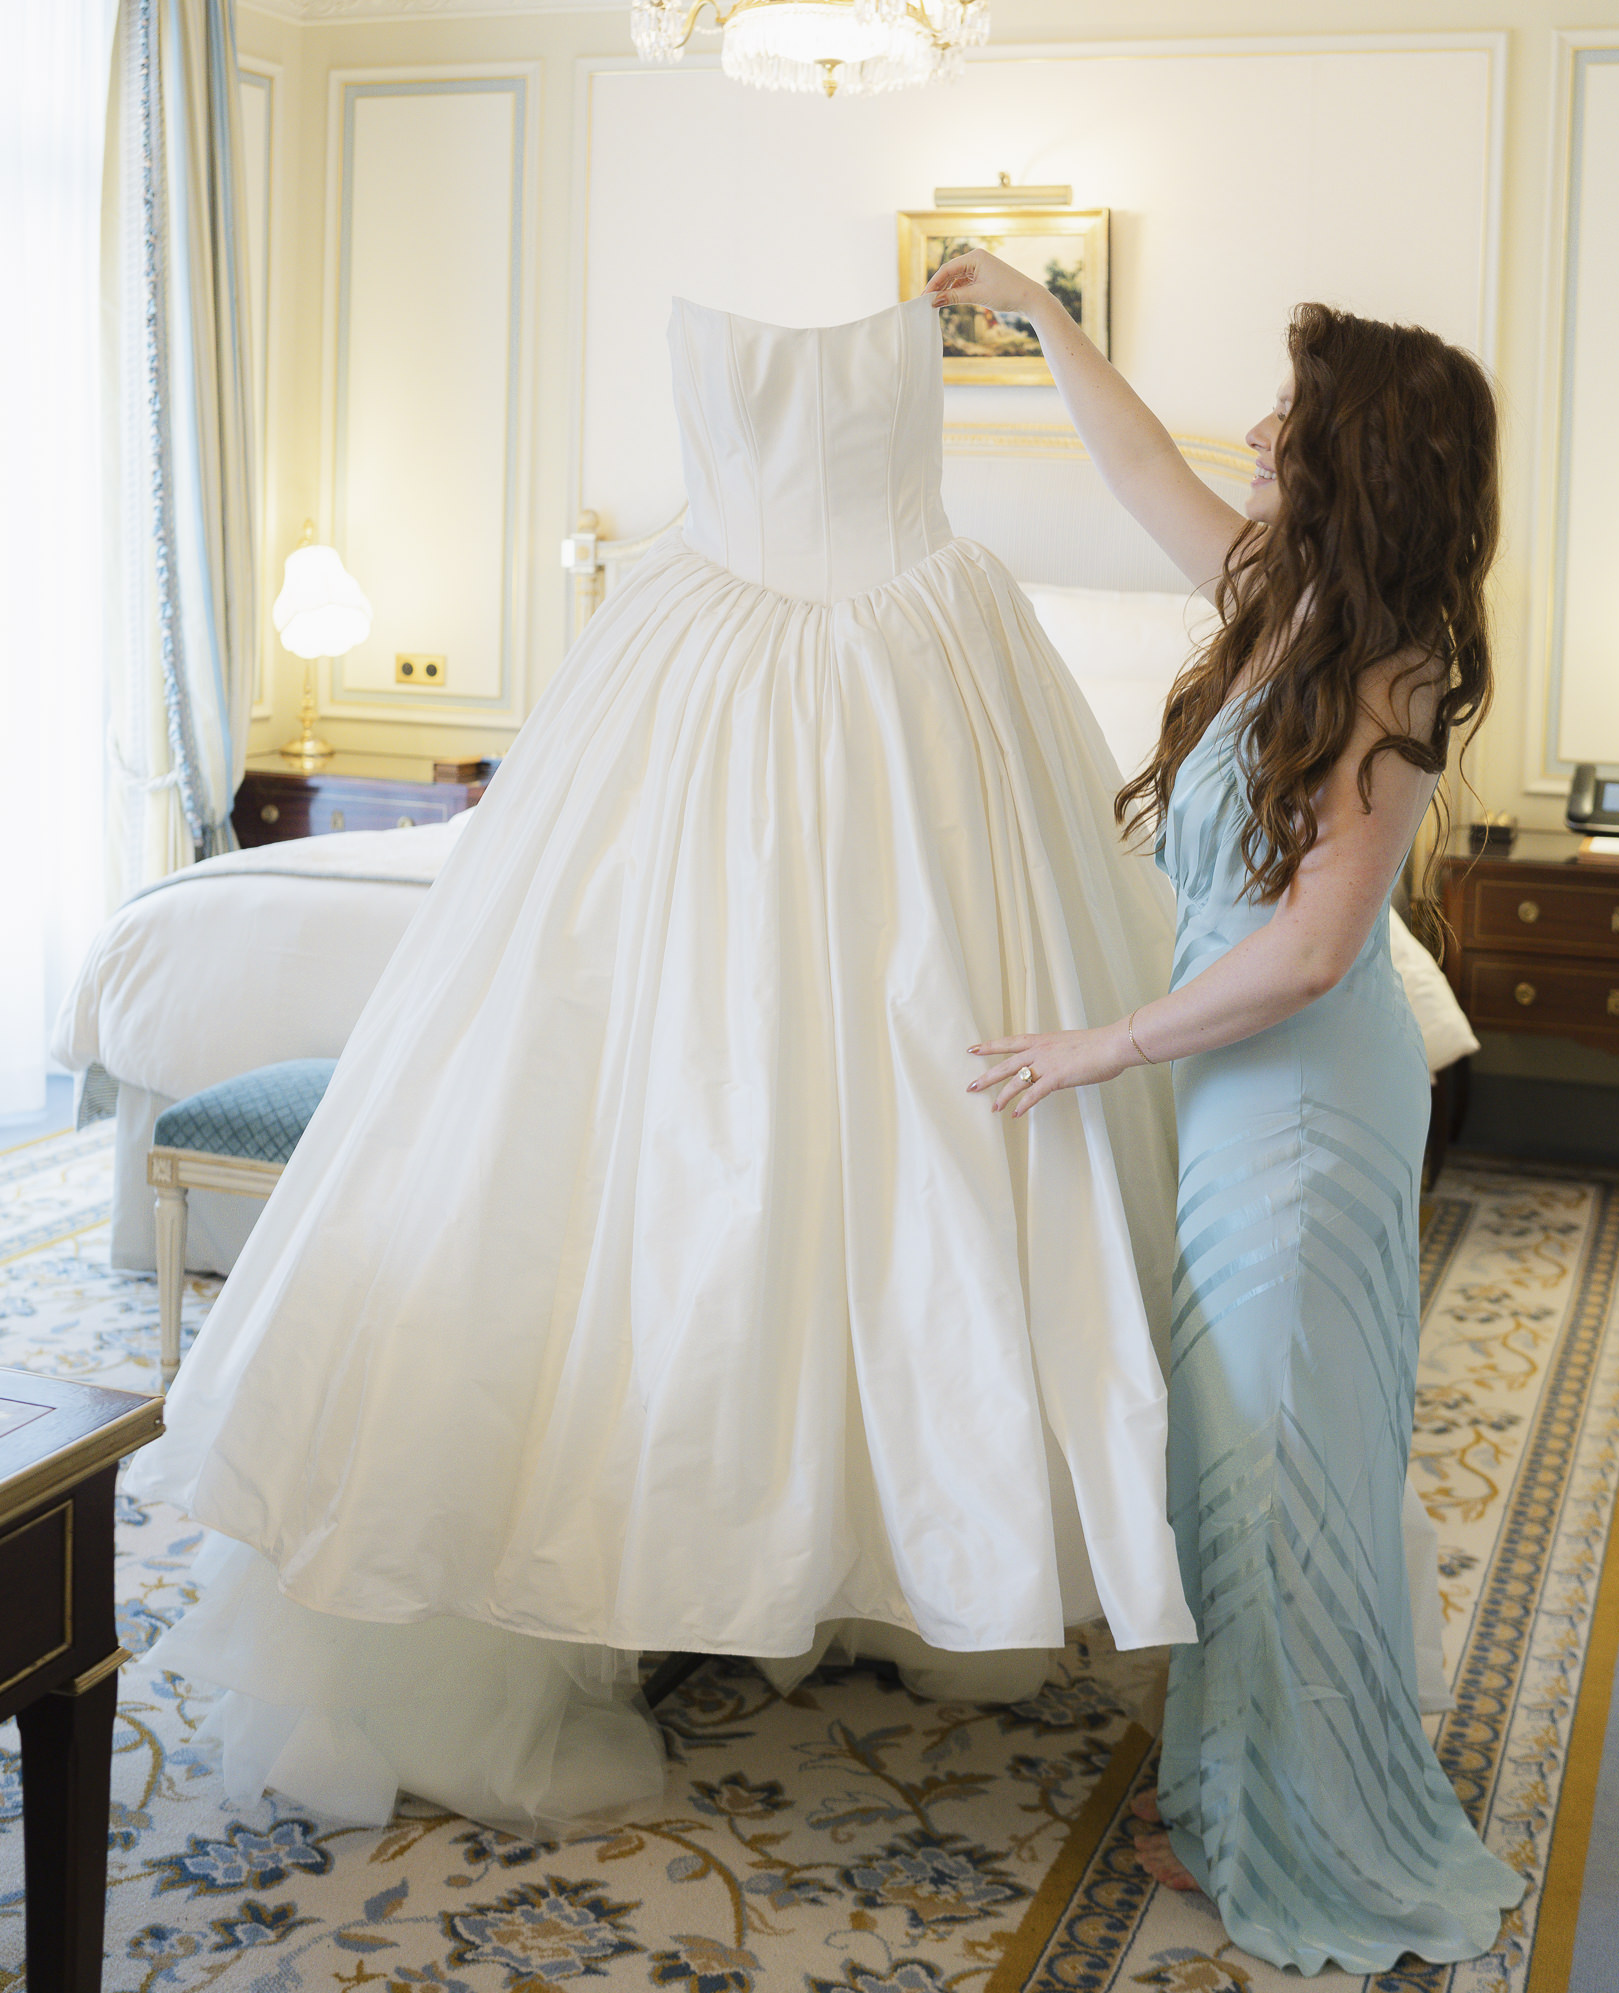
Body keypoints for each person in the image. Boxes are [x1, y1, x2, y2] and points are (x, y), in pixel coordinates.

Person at [130, 291, 1196, 1833]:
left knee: (895, 1121)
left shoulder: (935, 608)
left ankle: (879, 1557)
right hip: (779, 685)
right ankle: (729, 1560)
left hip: (873, 692)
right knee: (686, 1114)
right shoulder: (737, 599)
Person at [935, 249, 1526, 1975]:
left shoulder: (1389, 670)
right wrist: (1046, 319)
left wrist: (1097, 1045)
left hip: (1298, 1114)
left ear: (1358, 453)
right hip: (1230, 1107)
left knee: (1274, 1464)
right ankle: (1246, 1768)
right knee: (1234, 1459)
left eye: (1291, 410)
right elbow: (1133, 470)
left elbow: (1313, 950)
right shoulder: (1283, 602)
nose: (1258, 429)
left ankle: (1308, 1811)